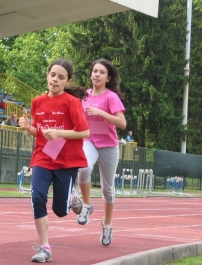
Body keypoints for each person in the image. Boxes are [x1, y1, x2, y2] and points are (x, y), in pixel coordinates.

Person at [18, 58, 90, 263]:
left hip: (66, 160)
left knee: (60, 210)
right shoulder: (37, 102)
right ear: (47, 76)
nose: (55, 80)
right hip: (43, 156)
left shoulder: (71, 102)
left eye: (61, 77)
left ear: (67, 82)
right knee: (37, 197)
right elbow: (39, 132)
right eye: (52, 75)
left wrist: (59, 133)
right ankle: (45, 248)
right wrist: (27, 126)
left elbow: (84, 131)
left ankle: (73, 200)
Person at [77, 58, 127, 246]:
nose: (97, 74)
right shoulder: (84, 96)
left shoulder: (110, 97)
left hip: (108, 145)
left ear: (108, 78)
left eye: (101, 72)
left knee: (108, 188)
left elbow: (122, 123)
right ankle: (87, 205)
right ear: (90, 75)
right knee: (83, 168)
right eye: (94, 71)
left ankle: (107, 224)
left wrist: (101, 114)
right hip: (89, 140)